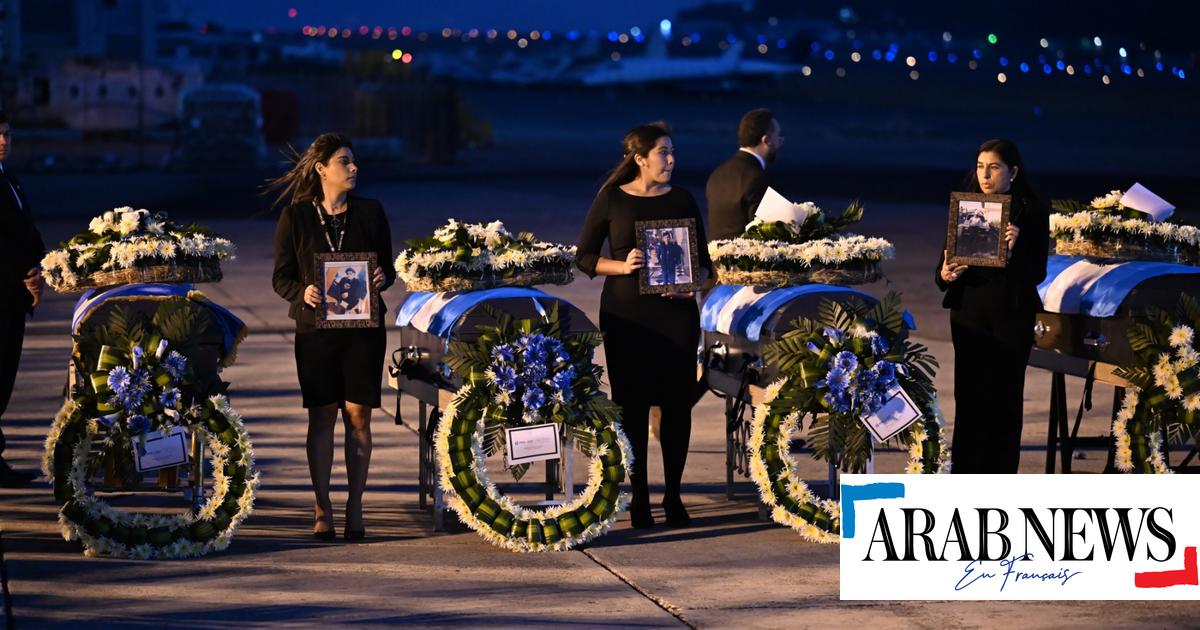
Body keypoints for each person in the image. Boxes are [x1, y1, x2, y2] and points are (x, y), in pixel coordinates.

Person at [576, 122, 712, 528]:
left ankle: (673, 495)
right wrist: (622, 265)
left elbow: (705, 263)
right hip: (627, 318)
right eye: (663, 153)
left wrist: (696, 285)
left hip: (676, 317)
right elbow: (583, 257)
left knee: (676, 406)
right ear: (640, 159)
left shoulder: (683, 199)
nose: (671, 160)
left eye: (673, 152)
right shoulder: (612, 200)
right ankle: (638, 498)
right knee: (631, 407)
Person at [269, 133, 395, 539]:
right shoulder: (296, 217)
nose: (354, 168)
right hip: (316, 331)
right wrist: (300, 291)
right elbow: (281, 277)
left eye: (354, 161)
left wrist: (381, 276)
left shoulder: (371, 212)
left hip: (363, 331)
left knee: (359, 417)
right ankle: (322, 506)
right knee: (322, 415)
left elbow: (388, 268)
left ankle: (354, 505)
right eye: (345, 162)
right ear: (322, 169)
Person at [935, 139, 1049, 473]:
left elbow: (1037, 272)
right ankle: (966, 474)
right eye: (981, 167)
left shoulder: (1031, 209)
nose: (985, 174)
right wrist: (944, 272)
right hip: (969, 313)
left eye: (994, 167)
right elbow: (942, 268)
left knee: (1004, 400)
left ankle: (998, 478)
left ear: (1012, 171)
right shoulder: (967, 207)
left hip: (1010, 316)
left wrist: (1014, 252)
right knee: (968, 399)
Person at [0, 112, 46, 487]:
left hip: (13, 299)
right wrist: (22, 277)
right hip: (3, 294)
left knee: (2, 382)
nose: (3, 141)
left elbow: (25, 232)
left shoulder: (9, 178)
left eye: (7, 134)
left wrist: (40, 267)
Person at [705, 108, 784, 240]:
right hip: (743, 258)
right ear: (766, 140)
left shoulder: (716, 174)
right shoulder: (757, 178)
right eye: (778, 136)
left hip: (715, 258)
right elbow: (764, 235)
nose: (780, 142)